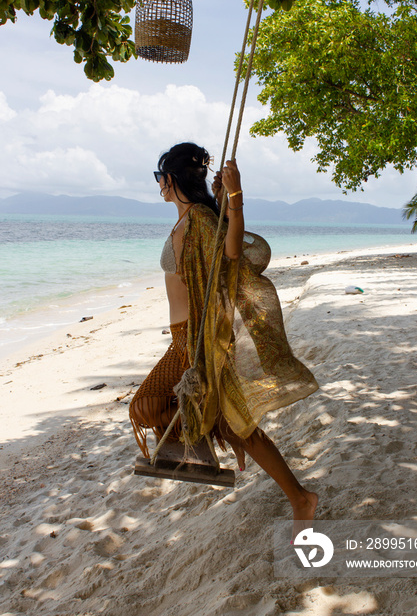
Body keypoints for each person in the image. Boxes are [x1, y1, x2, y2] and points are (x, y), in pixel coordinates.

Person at [129, 142, 319, 524]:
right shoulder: (192, 217)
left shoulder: (198, 217)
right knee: (228, 423)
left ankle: (299, 497)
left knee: (146, 406)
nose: (158, 185)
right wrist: (222, 200)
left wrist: (235, 196)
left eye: (159, 177)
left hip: (197, 339)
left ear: (172, 177)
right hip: (183, 337)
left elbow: (232, 253)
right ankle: (220, 439)